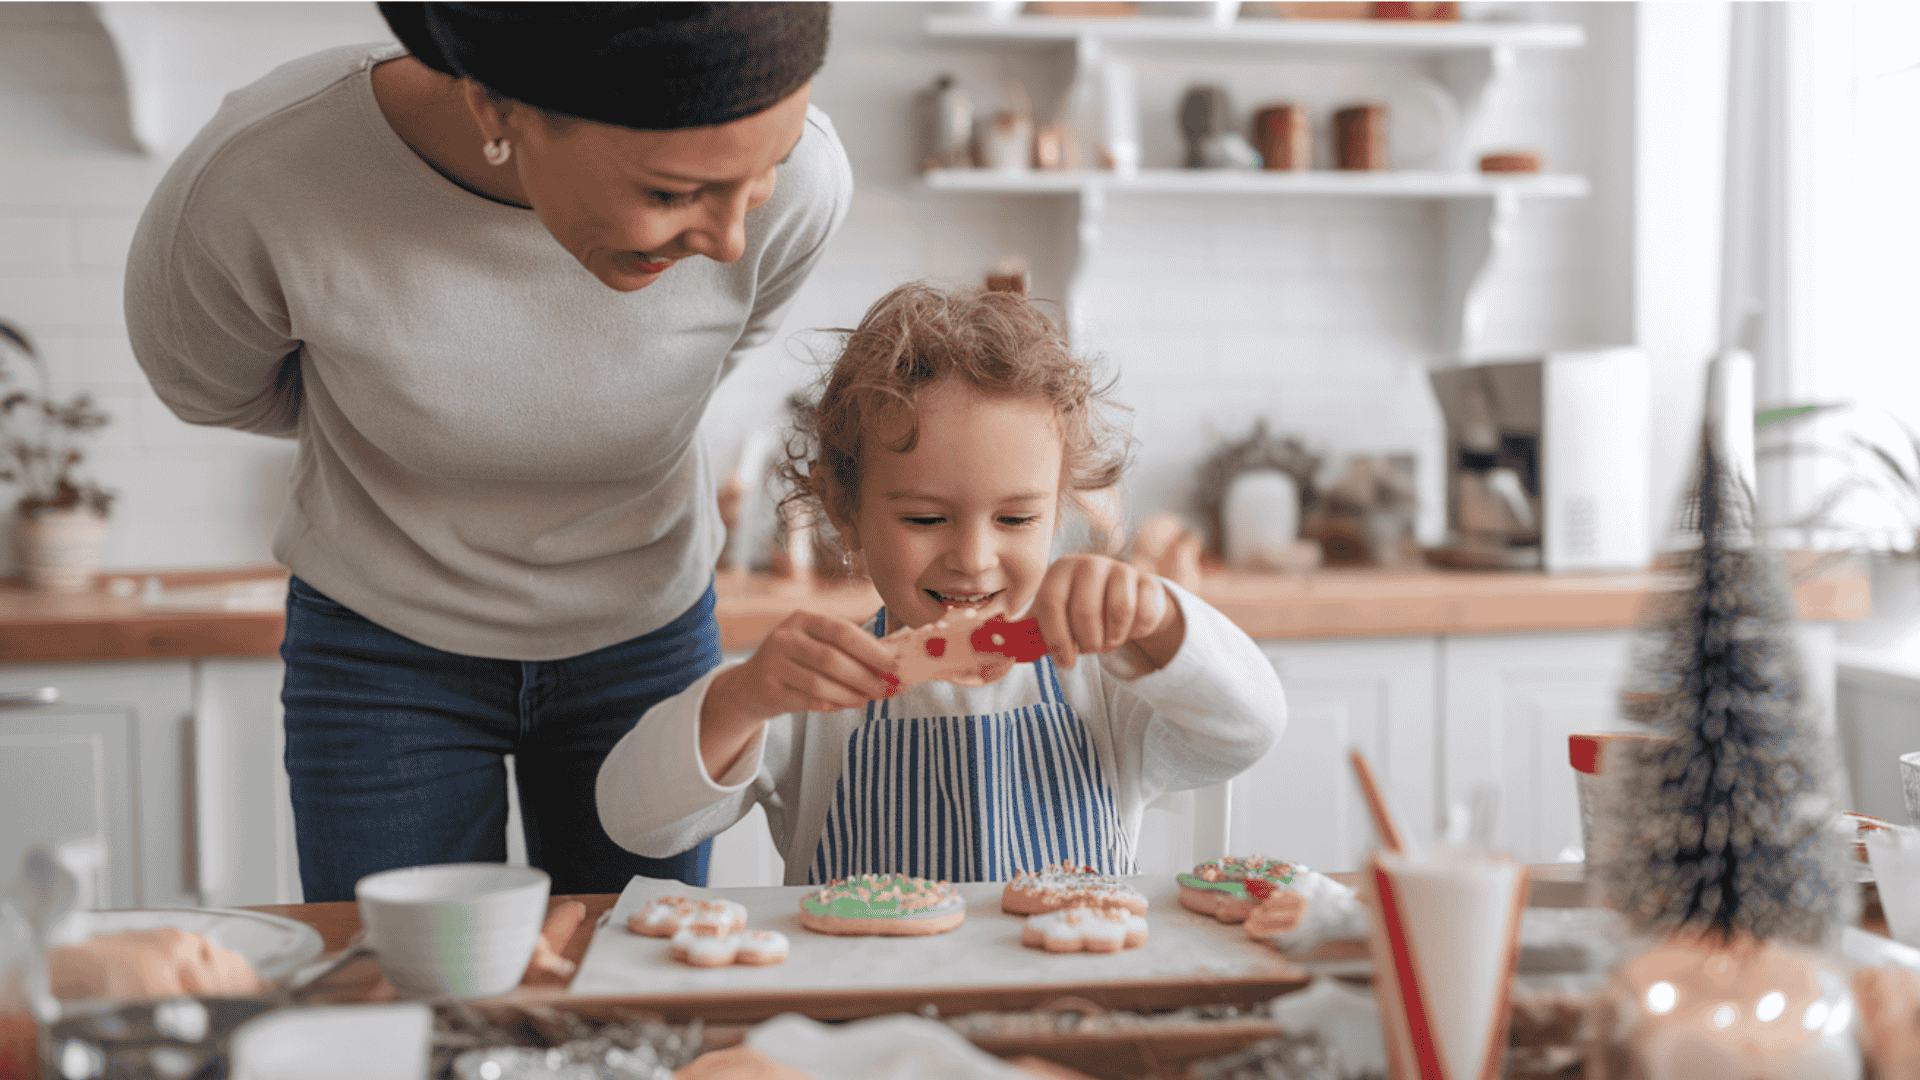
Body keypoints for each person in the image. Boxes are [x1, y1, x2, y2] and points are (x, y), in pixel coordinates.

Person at [123, 2, 851, 901]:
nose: (728, 238)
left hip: (646, 632)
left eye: (762, 175)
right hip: (380, 644)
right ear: (497, 109)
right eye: (670, 193)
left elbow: (718, 350)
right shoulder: (265, 172)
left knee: (631, 982)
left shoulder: (811, 180)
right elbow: (209, 382)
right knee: (402, 999)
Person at [596, 283, 1287, 882]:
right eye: (927, 517)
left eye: (1016, 517)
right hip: (866, 1020)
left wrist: (1159, 622)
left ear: (1059, 510)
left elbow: (1250, 729)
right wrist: (743, 697)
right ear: (845, 508)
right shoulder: (813, 698)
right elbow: (634, 821)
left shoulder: (1104, 679)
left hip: (1072, 1003)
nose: (974, 556)